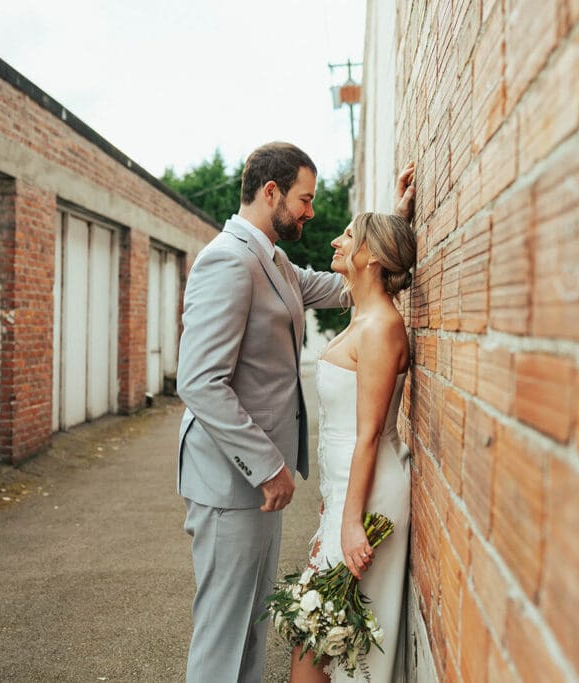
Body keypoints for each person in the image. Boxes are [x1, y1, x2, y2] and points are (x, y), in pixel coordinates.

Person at [176, 140, 416, 683]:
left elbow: (349, 283)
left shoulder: (275, 261)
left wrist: (392, 226)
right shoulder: (227, 260)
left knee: (253, 627)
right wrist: (268, 467)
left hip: (259, 489)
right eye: (305, 200)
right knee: (222, 632)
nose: (311, 212)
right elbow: (199, 382)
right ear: (271, 192)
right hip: (231, 479)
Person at [289, 210, 417, 683]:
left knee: (329, 646)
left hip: (368, 503)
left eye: (348, 235)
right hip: (345, 494)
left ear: (375, 256)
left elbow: (368, 433)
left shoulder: (382, 327)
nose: (336, 243)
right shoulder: (361, 314)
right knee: (320, 638)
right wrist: (397, 212)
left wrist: (349, 522)